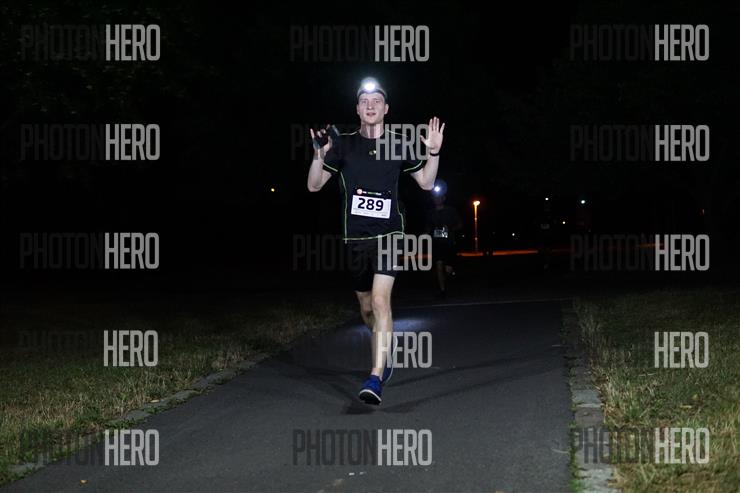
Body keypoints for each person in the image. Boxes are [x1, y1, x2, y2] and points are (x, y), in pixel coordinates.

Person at [307, 78, 445, 405]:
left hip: (390, 235)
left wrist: (434, 152)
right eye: (364, 101)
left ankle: (375, 376)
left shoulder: (399, 144)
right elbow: (314, 185)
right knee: (367, 307)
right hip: (355, 237)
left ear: (386, 109)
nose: (370, 106)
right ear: (357, 109)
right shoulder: (342, 145)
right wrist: (317, 155)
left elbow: (426, 183)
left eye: (377, 101)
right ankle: (383, 347)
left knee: (382, 302)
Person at [425, 192, 462, 297]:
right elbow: (427, 228)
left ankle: (449, 277)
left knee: (448, 269)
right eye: (435, 198)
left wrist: (450, 228)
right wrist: (426, 233)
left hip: (449, 243)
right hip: (437, 243)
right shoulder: (430, 213)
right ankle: (442, 290)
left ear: (443, 198)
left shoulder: (451, 211)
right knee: (439, 266)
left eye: (439, 197)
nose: (437, 199)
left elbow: (460, 225)